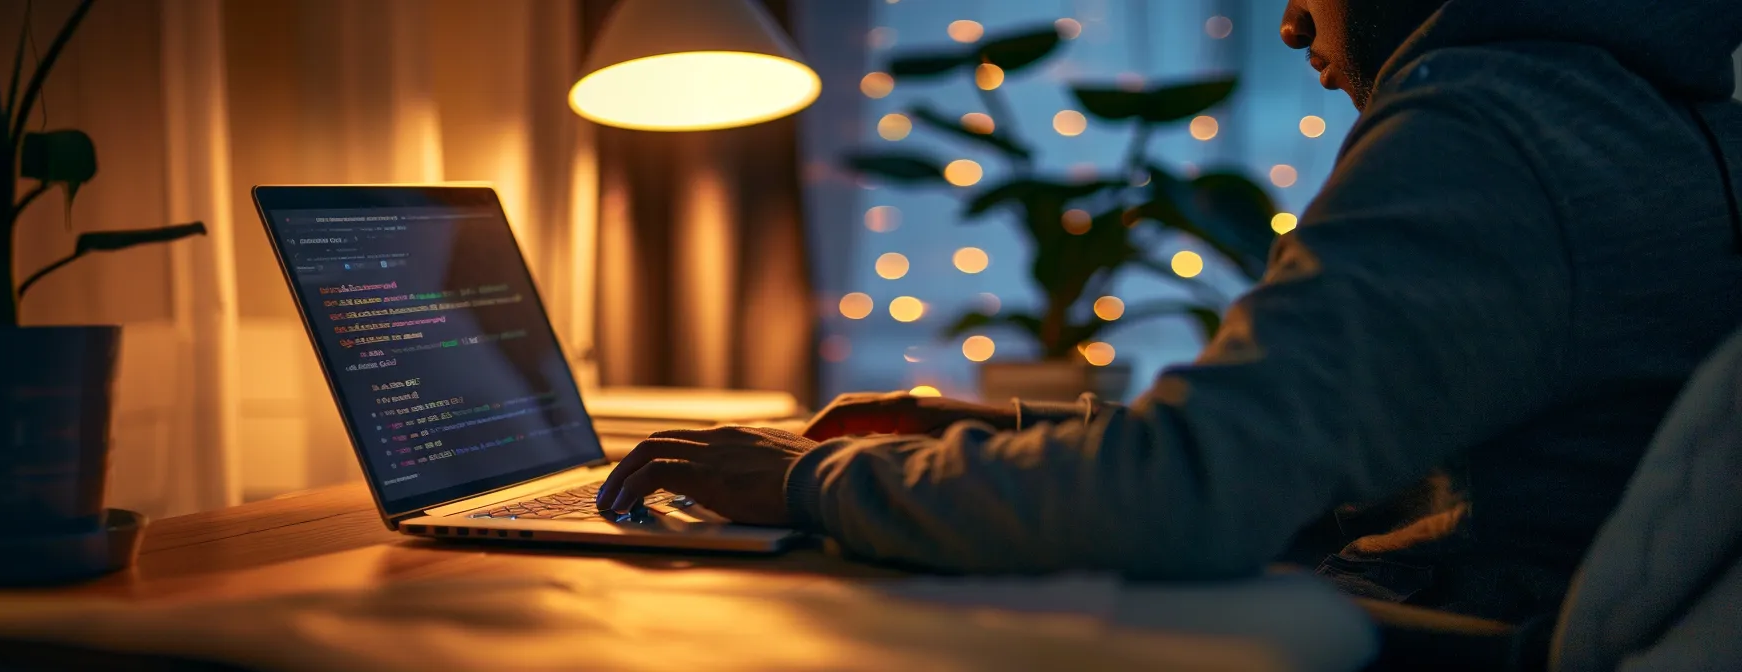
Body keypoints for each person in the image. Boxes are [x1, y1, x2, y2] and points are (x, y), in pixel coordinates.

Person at [599, 0, 1742, 622]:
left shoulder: (1492, 130)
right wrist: (992, 440)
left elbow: (1194, 499)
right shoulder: (1639, 110)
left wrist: (803, 482)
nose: (1294, 26)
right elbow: (1350, 472)